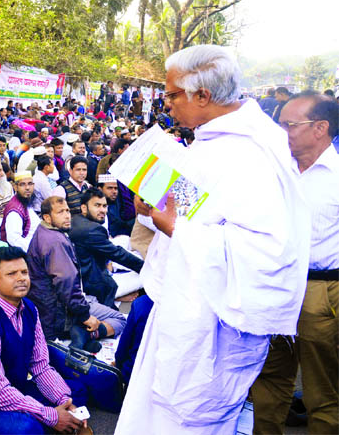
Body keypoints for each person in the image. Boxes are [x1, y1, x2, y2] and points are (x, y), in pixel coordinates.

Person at [115, 45, 309, 435]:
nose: (165, 105)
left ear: (202, 95)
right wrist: (156, 208)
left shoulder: (252, 152)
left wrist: (175, 228)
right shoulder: (215, 138)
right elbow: (200, 208)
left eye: (171, 95)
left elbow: (268, 250)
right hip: (180, 305)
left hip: (211, 325)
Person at [251, 92, 339, 434]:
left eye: (289, 124)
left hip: (320, 292)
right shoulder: (272, 170)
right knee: (268, 382)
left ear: (320, 128)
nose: (280, 130)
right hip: (272, 286)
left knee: (323, 391)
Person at [0, 246, 86, 434]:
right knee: (27, 428)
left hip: (15, 389)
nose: (21, 278)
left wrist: (63, 402)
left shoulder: (29, 308)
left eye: (24, 272)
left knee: (74, 393)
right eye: (12, 274)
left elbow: (40, 366)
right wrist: (50, 415)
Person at [27, 197, 125, 353]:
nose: (67, 216)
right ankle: (84, 334)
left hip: (55, 307)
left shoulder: (46, 231)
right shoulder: (54, 241)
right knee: (120, 320)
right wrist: (85, 316)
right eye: (60, 212)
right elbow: (67, 285)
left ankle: (81, 333)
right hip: (60, 312)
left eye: (67, 211)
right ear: (47, 217)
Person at [69, 188, 143, 308]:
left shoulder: (77, 220)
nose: (102, 210)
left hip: (87, 277)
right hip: (94, 286)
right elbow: (118, 254)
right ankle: (117, 298)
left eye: (104, 206)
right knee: (142, 278)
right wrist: (144, 268)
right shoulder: (91, 229)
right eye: (97, 206)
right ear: (84, 208)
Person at [0, 171, 40, 250]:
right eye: (22, 184)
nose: (27, 188)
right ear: (15, 187)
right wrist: (35, 251)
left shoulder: (26, 201)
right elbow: (14, 239)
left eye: (30, 184)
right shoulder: (14, 211)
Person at [98, 174, 134, 238]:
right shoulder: (94, 207)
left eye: (116, 188)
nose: (114, 191)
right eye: (110, 188)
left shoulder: (118, 204)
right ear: (100, 189)